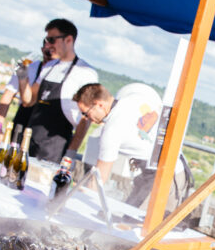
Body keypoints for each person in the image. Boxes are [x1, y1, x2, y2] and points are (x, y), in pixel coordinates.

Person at [72, 82, 193, 211]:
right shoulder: (134, 94)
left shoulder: (111, 130)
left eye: (86, 113)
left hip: (164, 177)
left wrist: (80, 205)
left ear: (99, 104)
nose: (87, 118)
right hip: (174, 170)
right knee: (129, 217)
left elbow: (99, 177)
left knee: (136, 225)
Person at [17, 18, 98, 163]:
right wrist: (23, 78)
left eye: (52, 40)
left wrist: (71, 153)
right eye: (46, 40)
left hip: (54, 149)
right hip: (29, 141)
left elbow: (85, 119)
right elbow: (28, 101)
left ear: (68, 40)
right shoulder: (50, 66)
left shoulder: (85, 72)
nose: (47, 45)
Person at [0, 44, 54, 129]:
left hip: (43, 127)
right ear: (42, 49)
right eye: (47, 51)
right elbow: (8, 94)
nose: (50, 54)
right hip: (21, 120)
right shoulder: (29, 67)